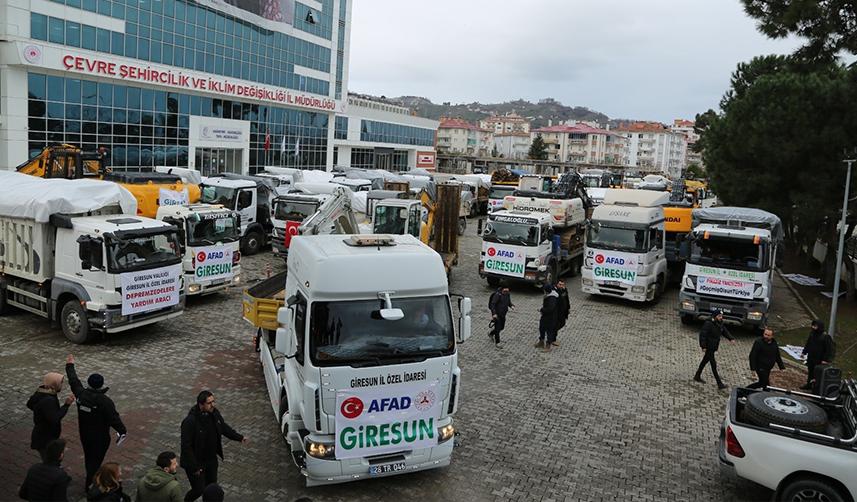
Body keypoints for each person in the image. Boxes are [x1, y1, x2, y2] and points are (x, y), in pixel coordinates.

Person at [66, 354, 128, 489]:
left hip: (85, 435)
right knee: (95, 461)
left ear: (88, 383)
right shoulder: (105, 401)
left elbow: (73, 380)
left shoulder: (81, 394)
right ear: (101, 385)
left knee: (89, 457)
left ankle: (91, 476)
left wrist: (70, 365)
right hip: (100, 438)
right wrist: (122, 431)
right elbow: (114, 419)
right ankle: (91, 484)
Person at [181, 391, 247, 502]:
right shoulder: (190, 422)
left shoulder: (214, 414)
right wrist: (195, 467)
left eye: (213, 402)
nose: (213, 405)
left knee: (212, 488)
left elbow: (223, 427)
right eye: (209, 403)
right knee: (199, 489)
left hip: (211, 460)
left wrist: (239, 437)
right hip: (197, 462)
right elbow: (186, 447)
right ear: (201, 405)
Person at [27, 372, 75, 460]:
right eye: (61, 382)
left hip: (40, 434)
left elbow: (29, 404)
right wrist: (66, 405)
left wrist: (40, 412)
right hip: (46, 437)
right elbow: (55, 418)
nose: (62, 385)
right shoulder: (49, 400)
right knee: (50, 459)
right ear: (54, 384)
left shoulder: (41, 391)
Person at [693, 310, 736, 390]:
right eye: (719, 316)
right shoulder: (708, 323)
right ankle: (719, 383)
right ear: (715, 316)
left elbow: (724, 331)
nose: (721, 317)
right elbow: (703, 335)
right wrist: (703, 346)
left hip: (713, 346)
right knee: (713, 364)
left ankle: (697, 375)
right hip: (709, 346)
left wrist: (731, 338)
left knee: (704, 361)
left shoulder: (720, 323)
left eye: (721, 316)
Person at [801, 319, 834, 390]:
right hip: (811, 357)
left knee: (818, 374)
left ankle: (816, 387)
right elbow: (808, 343)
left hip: (819, 359)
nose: (813, 327)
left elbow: (829, 349)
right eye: (813, 325)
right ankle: (809, 385)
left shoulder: (825, 337)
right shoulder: (812, 334)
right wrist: (804, 352)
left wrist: (825, 359)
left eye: (815, 326)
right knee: (810, 372)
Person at [534, 284, 559, 352]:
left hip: (551, 317)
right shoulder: (548, 295)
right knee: (541, 328)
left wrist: (542, 310)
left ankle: (548, 345)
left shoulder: (552, 298)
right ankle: (541, 341)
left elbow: (550, 308)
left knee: (549, 331)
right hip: (545, 316)